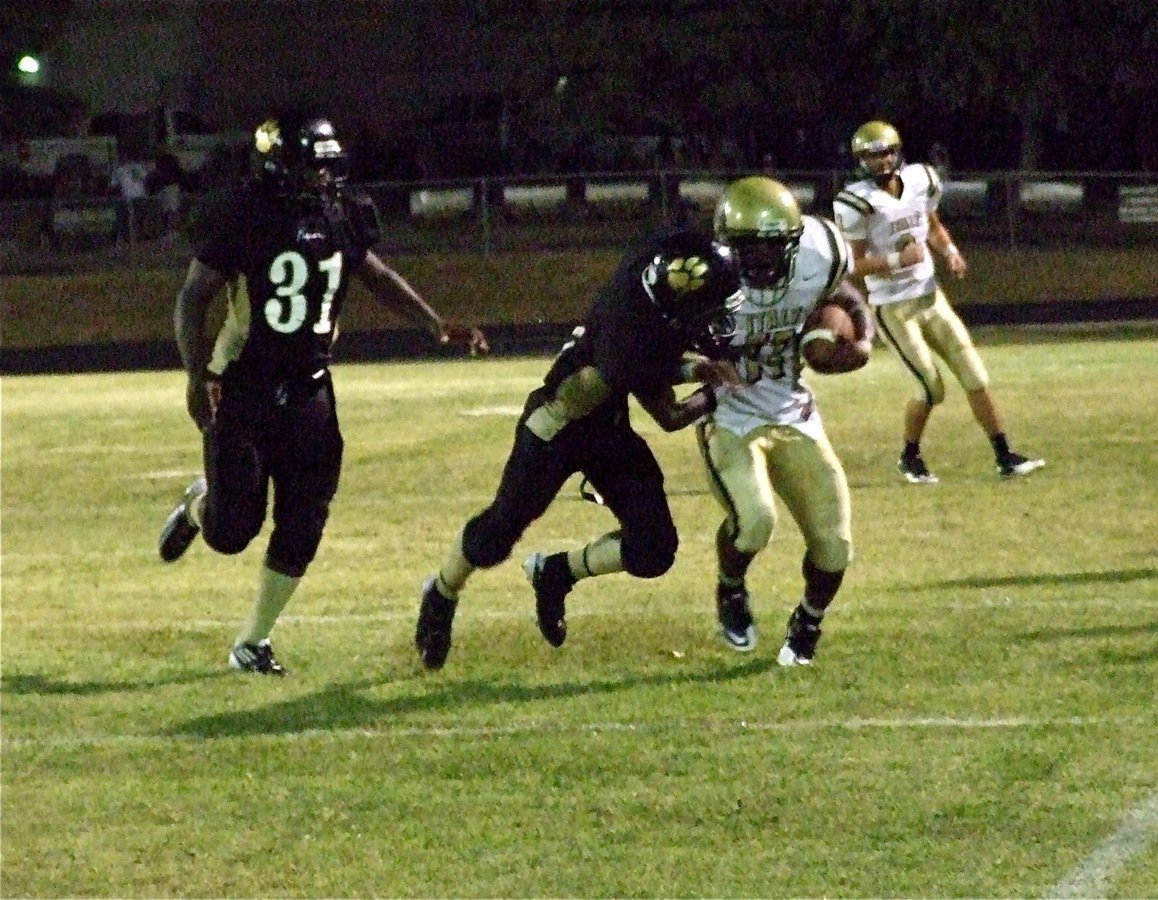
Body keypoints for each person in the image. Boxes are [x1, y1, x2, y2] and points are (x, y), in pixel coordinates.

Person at [157, 111, 488, 676]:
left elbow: (374, 273)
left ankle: (252, 643)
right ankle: (199, 504)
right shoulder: (241, 212)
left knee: (305, 518)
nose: (325, 181)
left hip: (310, 386)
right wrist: (196, 374)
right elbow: (194, 298)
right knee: (233, 531)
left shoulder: (342, 213)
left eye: (328, 169)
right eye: (313, 169)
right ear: (280, 168)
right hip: (242, 385)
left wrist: (435, 324)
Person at [415, 229, 746, 671]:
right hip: (555, 429)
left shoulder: (648, 267)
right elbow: (669, 415)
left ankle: (556, 573)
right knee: (496, 536)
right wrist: (718, 389)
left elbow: (675, 237)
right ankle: (441, 591)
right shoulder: (633, 335)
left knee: (653, 549)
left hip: (606, 424)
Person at [702, 176, 895, 666]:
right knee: (756, 523)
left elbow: (848, 297)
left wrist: (863, 340)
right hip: (731, 413)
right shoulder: (700, 278)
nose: (763, 260)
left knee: (835, 546)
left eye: (774, 247)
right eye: (751, 249)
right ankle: (730, 587)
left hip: (792, 409)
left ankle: (807, 620)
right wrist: (698, 369)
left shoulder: (821, 252)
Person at [833, 120, 1044, 483]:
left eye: (886, 153)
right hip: (894, 307)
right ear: (860, 161)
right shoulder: (857, 202)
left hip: (931, 298)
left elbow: (930, 224)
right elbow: (854, 264)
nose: (881, 162)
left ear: (897, 152)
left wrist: (949, 252)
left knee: (975, 375)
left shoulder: (921, 180)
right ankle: (909, 458)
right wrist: (899, 261)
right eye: (871, 157)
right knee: (931, 388)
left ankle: (1004, 455)